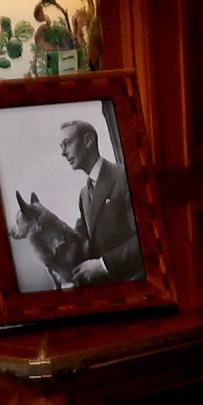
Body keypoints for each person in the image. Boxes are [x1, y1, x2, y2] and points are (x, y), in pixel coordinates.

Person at [58, 119, 144, 285]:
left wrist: (104, 264)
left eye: (67, 144)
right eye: (61, 146)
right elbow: (82, 242)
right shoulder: (84, 195)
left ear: (88, 141)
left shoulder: (125, 176)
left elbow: (146, 238)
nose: (63, 152)